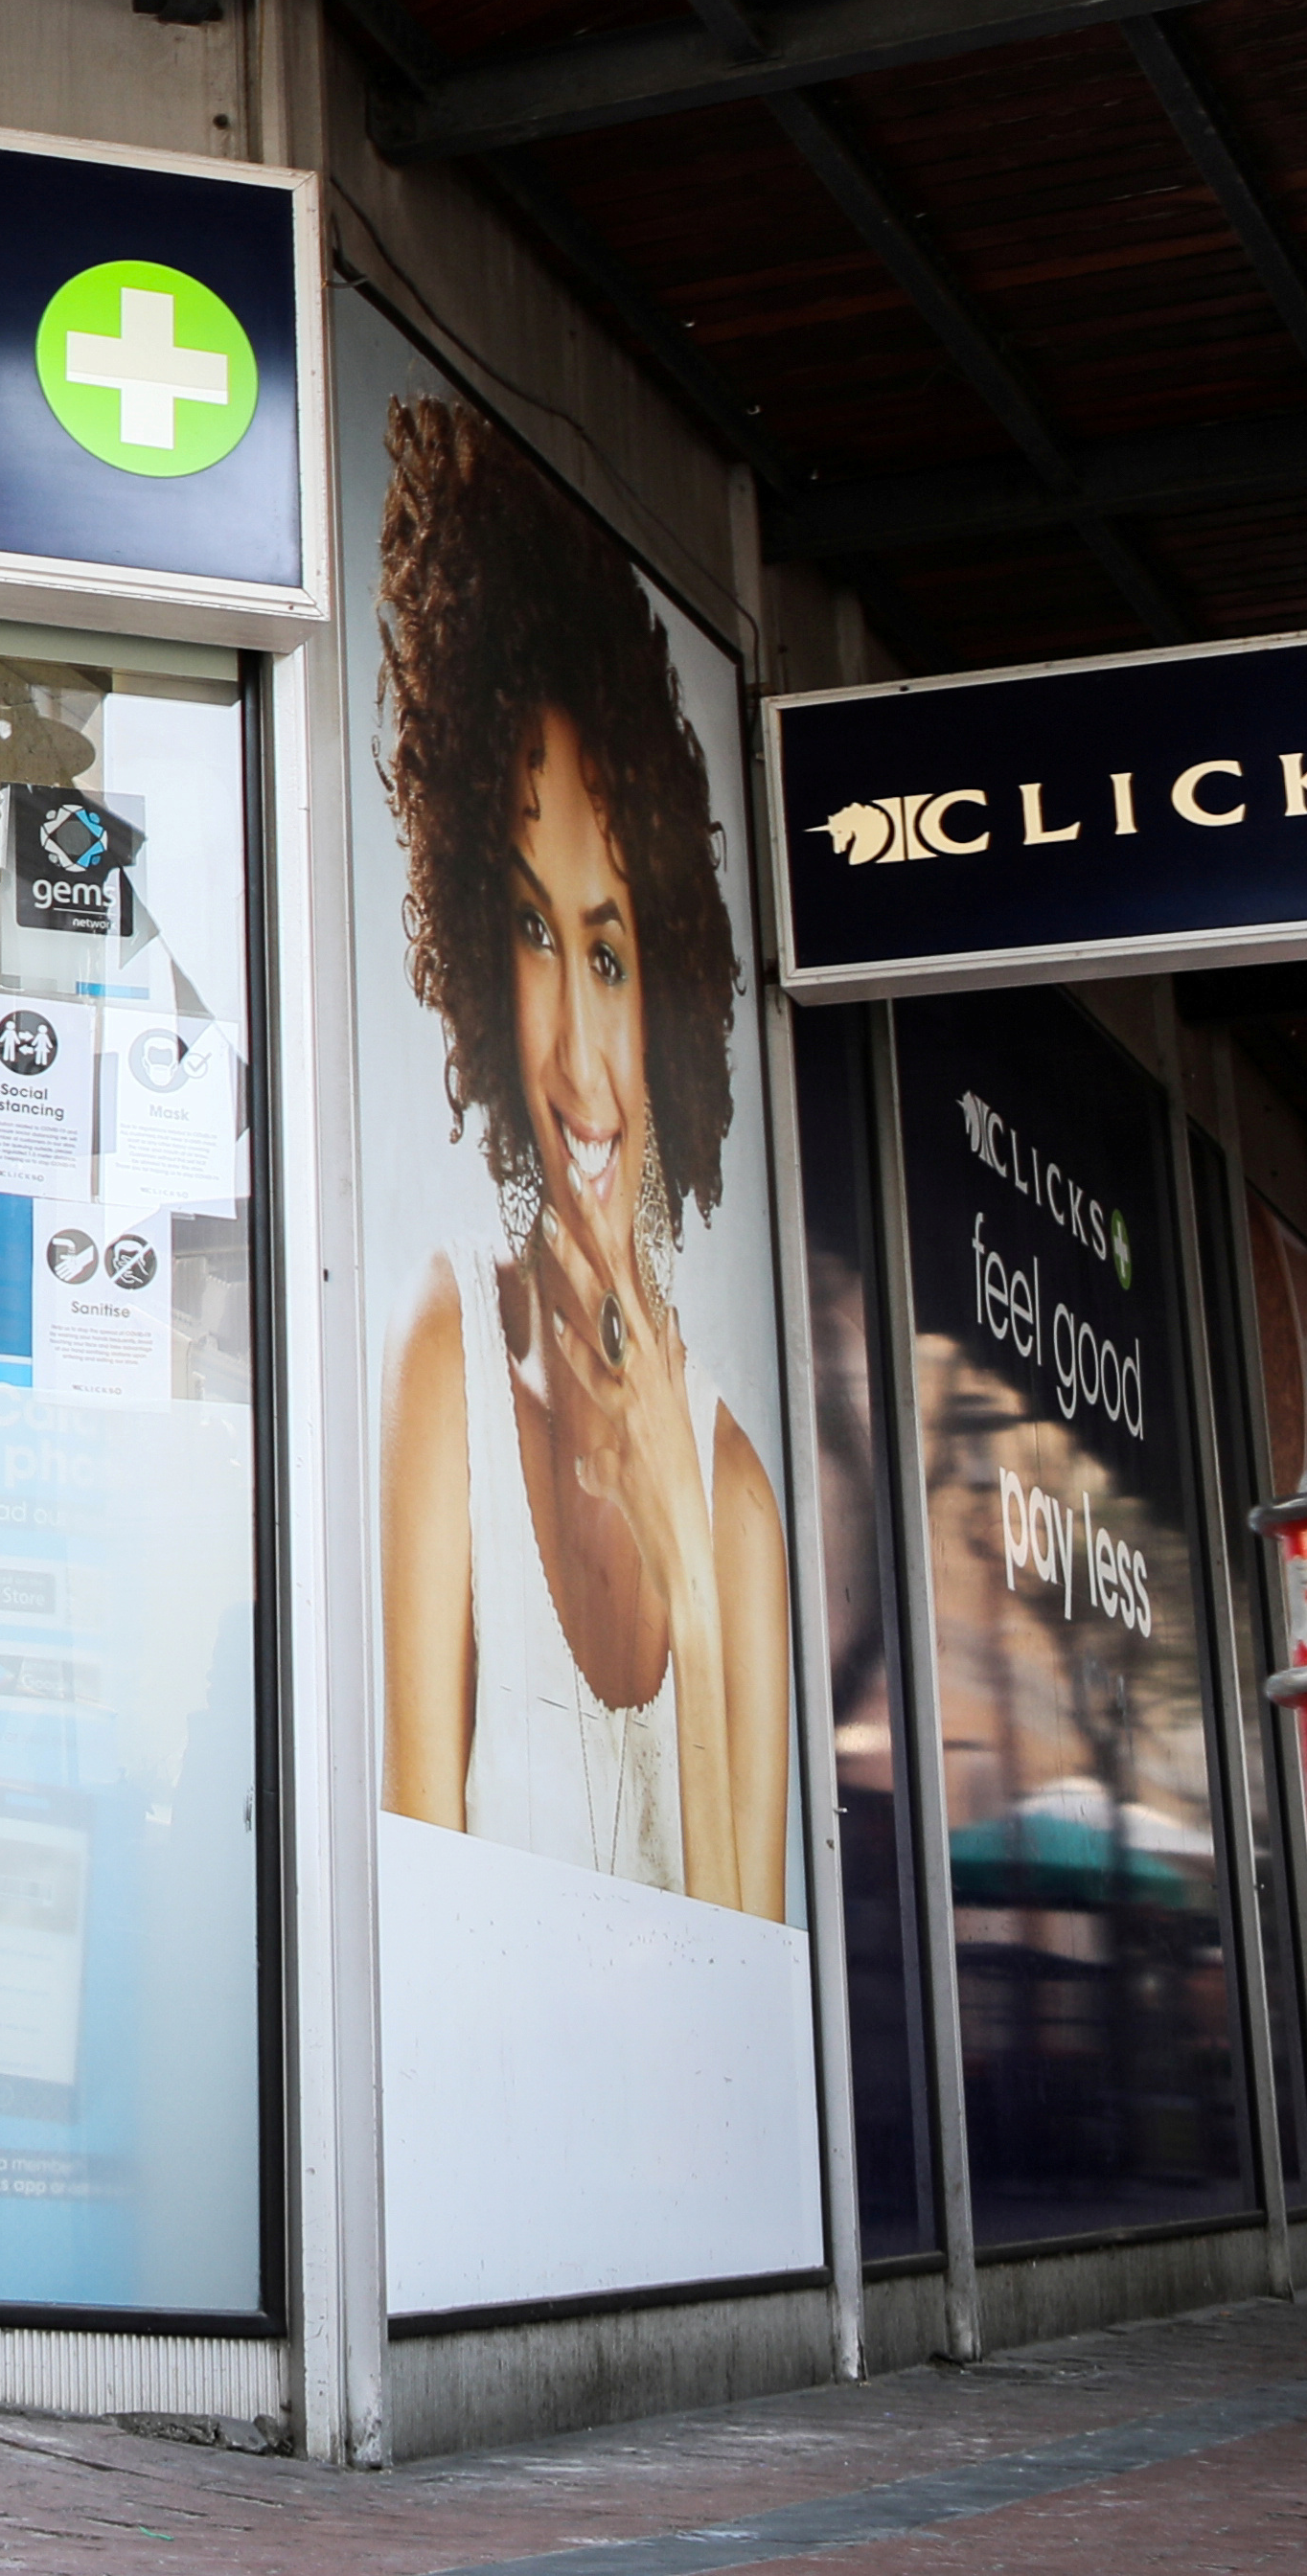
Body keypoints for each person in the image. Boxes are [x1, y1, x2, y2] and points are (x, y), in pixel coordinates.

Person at [368, 398, 793, 1918]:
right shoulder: (450, 1373)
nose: (573, 1054)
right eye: (537, 934)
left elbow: (745, 1964)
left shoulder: (739, 1500)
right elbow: (406, 1925)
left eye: (609, 951)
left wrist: (678, 1514)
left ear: (670, 977)